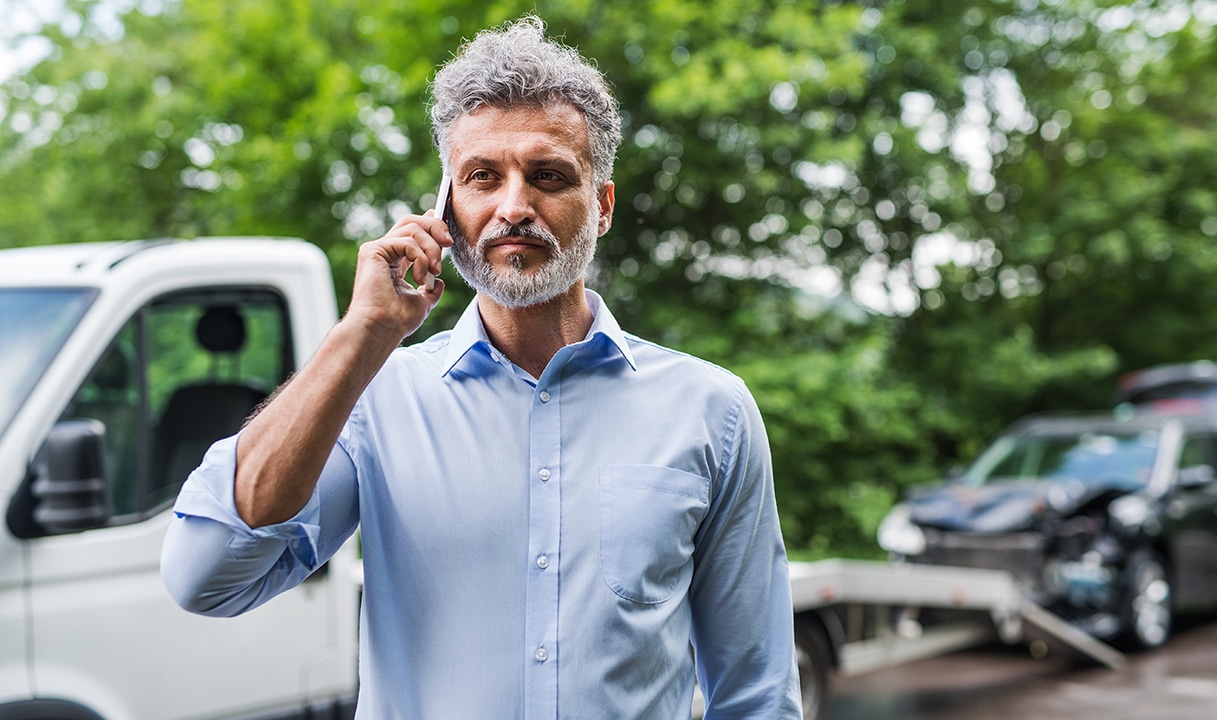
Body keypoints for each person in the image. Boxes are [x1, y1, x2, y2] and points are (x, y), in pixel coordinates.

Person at [161, 15, 802, 719]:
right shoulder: (376, 400)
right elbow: (206, 576)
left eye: (550, 176)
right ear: (447, 208)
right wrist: (363, 334)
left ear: (604, 206)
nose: (514, 206)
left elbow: (757, 694)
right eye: (482, 177)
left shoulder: (712, 410)